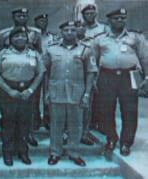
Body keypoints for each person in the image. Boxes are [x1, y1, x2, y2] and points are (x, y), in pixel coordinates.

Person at [93, 8, 148, 157]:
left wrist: (147, 78)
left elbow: (144, 58)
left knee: (129, 110)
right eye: (116, 18)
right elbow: (95, 60)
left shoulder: (135, 37)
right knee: (106, 110)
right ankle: (111, 138)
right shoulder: (100, 39)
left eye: (122, 18)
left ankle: (126, 143)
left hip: (130, 75)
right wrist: (94, 79)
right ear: (109, 21)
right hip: (106, 76)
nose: (120, 21)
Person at [44, 21, 97, 167]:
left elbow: (91, 73)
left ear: (77, 32)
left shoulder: (86, 50)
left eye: (73, 30)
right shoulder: (51, 49)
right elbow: (45, 72)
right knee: (56, 125)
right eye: (66, 30)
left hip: (77, 94)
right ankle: (55, 153)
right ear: (61, 32)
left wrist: (87, 94)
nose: (69, 33)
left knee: (76, 125)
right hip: (56, 92)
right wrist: (46, 92)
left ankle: (74, 153)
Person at [0, 27, 46, 166]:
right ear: (10, 39)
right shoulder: (2, 54)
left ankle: (23, 152)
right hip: (7, 91)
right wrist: (8, 90)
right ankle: (8, 153)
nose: (20, 38)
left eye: (23, 36)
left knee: (24, 122)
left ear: (27, 39)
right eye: (16, 36)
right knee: (8, 122)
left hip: (28, 91)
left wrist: (31, 89)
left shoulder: (34, 54)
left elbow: (40, 73)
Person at [0, 7, 42, 147]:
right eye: (18, 15)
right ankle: (9, 140)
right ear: (13, 17)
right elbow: (1, 51)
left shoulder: (36, 33)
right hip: (11, 75)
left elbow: (38, 51)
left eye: (24, 15)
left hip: (30, 74)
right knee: (9, 112)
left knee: (31, 107)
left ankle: (28, 134)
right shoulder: (4, 33)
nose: (21, 18)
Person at [80, 4, 106, 136]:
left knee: (100, 96)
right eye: (87, 13)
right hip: (82, 66)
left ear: (96, 14)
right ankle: (86, 124)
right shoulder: (79, 28)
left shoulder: (103, 28)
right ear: (83, 15)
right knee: (85, 96)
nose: (90, 15)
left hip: (100, 65)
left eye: (92, 13)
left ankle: (98, 123)